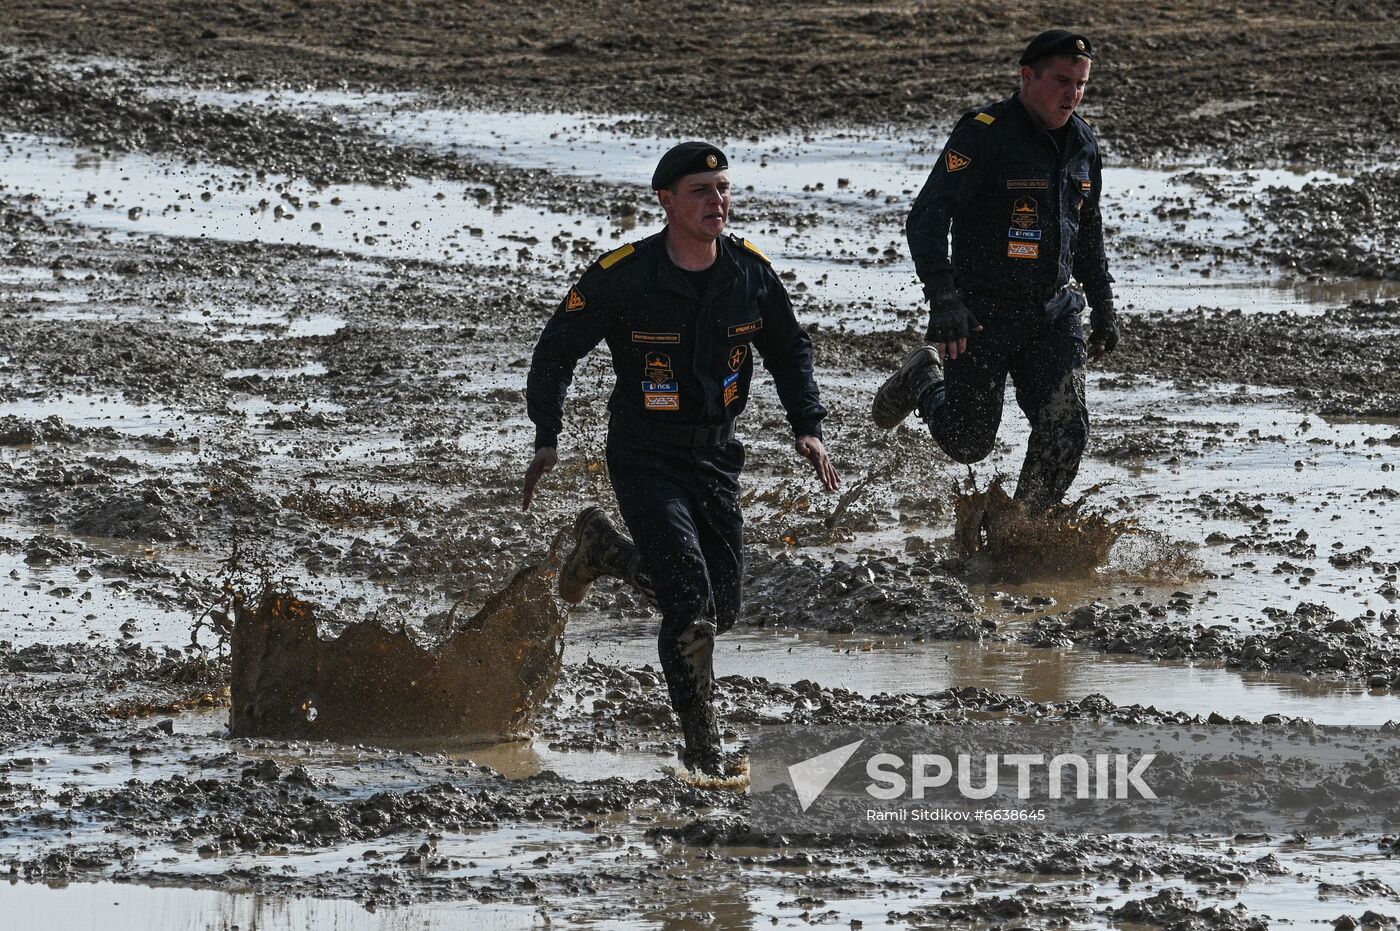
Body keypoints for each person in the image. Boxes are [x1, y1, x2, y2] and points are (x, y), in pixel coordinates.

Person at [523, 142, 840, 776]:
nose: (716, 202)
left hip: (718, 454)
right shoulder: (623, 275)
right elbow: (556, 351)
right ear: (666, 201)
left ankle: (607, 553)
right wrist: (547, 435)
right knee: (690, 608)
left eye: (722, 189)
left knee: (719, 608)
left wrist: (808, 426)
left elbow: (789, 349)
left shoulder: (749, 271)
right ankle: (704, 750)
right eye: (700, 191)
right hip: (645, 455)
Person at [873, 29, 1119, 513]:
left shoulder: (1084, 143)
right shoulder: (983, 133)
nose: (1073, 94)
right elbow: (927, 217)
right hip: (980, 313)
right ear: (1027, 77)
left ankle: (1019, 531)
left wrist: (1104, 304)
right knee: (969, 443)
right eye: (1062, 81)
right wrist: (944, 299)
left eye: (1082, 84)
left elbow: (1088, 230)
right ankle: (925, 378)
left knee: (1066, 429)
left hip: (1052, 313)